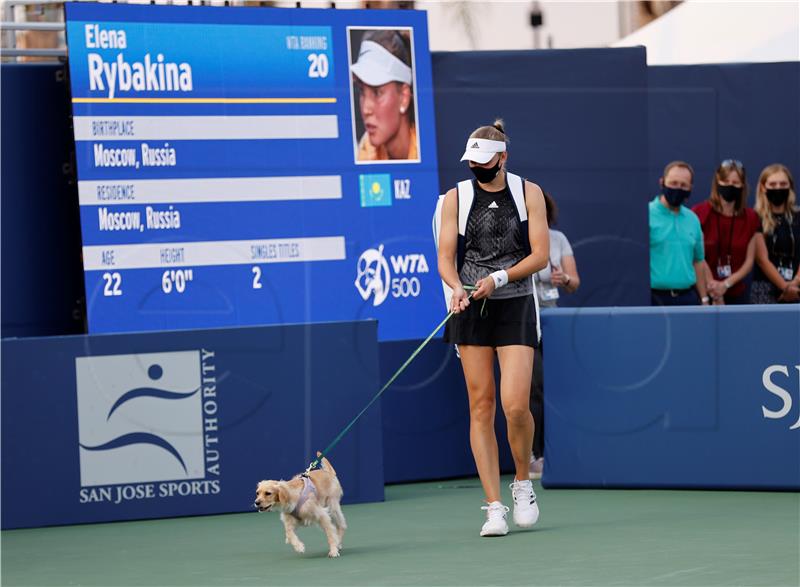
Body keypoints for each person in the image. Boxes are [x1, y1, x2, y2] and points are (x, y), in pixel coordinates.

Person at [438, 120, 549, 537]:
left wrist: (499, 279)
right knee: (480, 406)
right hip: (470, 306)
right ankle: (494, 505)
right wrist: (455, 288)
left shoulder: (528, 192)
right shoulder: (456, 197)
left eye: (485, 161)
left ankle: (522, 482)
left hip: (515, 302)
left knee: (515, 406)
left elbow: (540, 255)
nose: (478, 168)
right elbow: (446, 256)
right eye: (473, 162)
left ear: (503, 158)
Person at [529, 192, 580, 480]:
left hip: (552, 317)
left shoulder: (557, 239)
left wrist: (565, 279)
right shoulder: (517, 237)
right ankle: (532, 455)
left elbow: (574, 281)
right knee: (533, 385)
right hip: (524, 316)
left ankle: (555, 451)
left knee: (557, 386)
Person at [692, 159, 759, 304]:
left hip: (737, 292)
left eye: (735, 183)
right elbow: (698, 256)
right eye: (726, 181)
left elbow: (749, 261)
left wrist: (725, 284)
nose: (730, 186)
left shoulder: (751, 218)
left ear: (742, 185)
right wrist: (714, 288)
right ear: (717, 182)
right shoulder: (700, 213)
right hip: (704, 292)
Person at [351, 30, 417, 161]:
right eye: (362, 91)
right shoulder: (366, 148)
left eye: (377, 92)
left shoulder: (426, 148)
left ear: (404, 98)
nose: (365, 109)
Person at [649, 161, 709, 306]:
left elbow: (698, 261)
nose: (678, 188)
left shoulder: (693, 219)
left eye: (683, 185)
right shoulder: (646, 214)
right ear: (662, 182)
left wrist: (704, 299)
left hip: (687, 298)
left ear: (690, 189)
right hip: (654, 299)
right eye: (673, 183)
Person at [750, 164, 800, 303]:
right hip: (765, 289)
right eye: (773, 184)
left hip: (797, 288)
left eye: (783, 183)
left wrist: (795, 282)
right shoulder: (754, 218)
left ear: (790, 187)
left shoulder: (798, 216)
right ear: (763, 187)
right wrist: (785, 287)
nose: (778, 188)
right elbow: (761, 259)